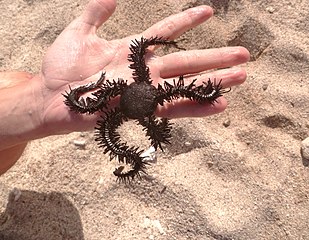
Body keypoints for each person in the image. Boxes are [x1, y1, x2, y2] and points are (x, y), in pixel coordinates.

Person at [0, 0, 250, 175]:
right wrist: (44, 100)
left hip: (133, 94)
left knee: (15, 81)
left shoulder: (128, 96)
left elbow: (140, 49)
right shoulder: (133, 99)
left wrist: (40, 100)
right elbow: (140, 50)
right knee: (15, 81)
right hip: (134, 94)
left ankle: (26, 107)